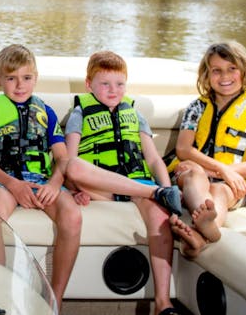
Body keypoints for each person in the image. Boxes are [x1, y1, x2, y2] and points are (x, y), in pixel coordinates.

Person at [63, 50, 183, 315]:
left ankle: (163, 302)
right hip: (101, 188)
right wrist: (74, 190)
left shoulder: (135, 113)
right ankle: (154, 192)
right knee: (73, 165)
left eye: (119, 84)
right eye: (104, 83)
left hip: (137, 185)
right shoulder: (79, 113)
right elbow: (69, 161)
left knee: (160, 216)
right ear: (89, 84)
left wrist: (168, 189)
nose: (113, 90)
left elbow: (152, 158)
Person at [0, 44, 81, 310]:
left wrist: (56, 183)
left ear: (35, 78)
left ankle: (54, 300)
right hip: (3, 181)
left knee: (73, 215)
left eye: (26, 78)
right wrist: (13, 184)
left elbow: (63, 157)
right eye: (11, 78)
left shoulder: (47, 112)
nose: (19, 85)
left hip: (41, 181)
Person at [168, 41, 246, 258]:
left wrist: (223, 175)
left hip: (232, 184)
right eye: (216, 70)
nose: (224, 76)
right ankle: (207, 221)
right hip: (196, 173)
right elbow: (183, 149)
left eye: (231, 69)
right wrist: (222, 169)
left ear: (244, 71)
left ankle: (204, 232)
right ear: (207, 76)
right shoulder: (196, 108)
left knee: (220, 190)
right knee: (193, 172)